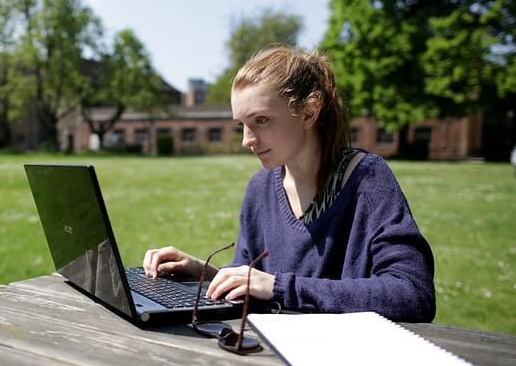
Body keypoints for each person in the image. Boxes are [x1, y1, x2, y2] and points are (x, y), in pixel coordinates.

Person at [143, 46, 435, 322]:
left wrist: (281, 288)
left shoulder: (367, 180)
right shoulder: (260, 189)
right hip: (267, 358)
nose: (247, 140)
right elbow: (254, 279)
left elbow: (412, 293)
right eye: (241, 125)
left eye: (262, 120)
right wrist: (204, 273)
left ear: (309, 112)